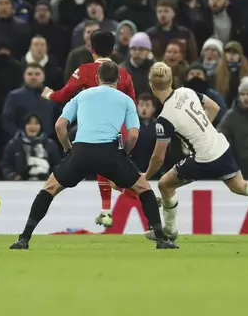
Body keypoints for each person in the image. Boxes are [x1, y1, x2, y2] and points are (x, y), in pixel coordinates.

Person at [10, 62, 178, 250]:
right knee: (143, 188)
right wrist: (125, 154)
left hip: (81, 151)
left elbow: (60, 126)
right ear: (118, 79)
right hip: (110, 153)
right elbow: (133, 134)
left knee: (50, 188)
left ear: (98, 78)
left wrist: (68, 149)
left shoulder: (82, 96)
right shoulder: (126, 100)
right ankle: (162, 239)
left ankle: (24, 238)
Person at [143, 63, 248, 240]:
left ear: (152, 86)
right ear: (171, 81)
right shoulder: (187, 92)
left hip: (204, 157)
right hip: (220, 147)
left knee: (164, 185)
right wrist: (202, 129)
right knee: (240, 186)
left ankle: (170, 230)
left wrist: (145, 176)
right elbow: (214, 108)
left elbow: (158, 158)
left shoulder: (164, 118)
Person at [41, 30, 137, 228]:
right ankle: (109, 209)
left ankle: (113, 206)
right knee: (114, 171)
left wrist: (49, 95)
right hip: (121, 130)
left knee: (95, 167)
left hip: (94, 132)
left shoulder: (84, 70)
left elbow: (64, 94)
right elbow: (132, 102)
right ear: (113, 49)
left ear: (91, 48)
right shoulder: (124, 73)